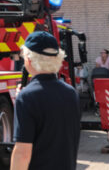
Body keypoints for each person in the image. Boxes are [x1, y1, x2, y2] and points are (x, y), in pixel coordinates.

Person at [11, 31, 80, 170]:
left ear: (29, 60)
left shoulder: (27, 97)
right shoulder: (71, 93)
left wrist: (22, 98)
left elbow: (22, 153)